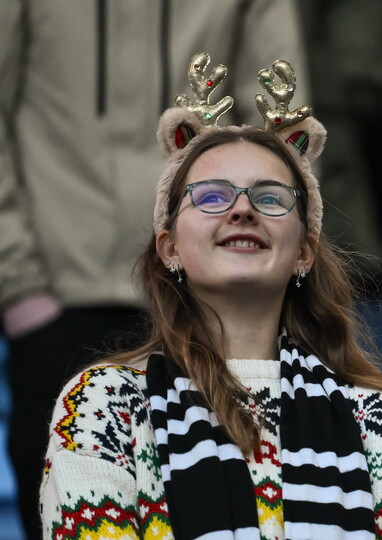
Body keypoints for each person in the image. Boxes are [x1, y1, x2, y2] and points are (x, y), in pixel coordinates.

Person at [39, 55, 382, 539]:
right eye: (211, 196)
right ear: (169, 247)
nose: (241, 210)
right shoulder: (103, 404)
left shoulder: (379, 420)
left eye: (271, 198)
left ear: (304, 252)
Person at [0, 3, 318, 537]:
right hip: (57, 293)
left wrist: (266, 252)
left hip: (210, 300)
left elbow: (287, 128)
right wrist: (18, 286)